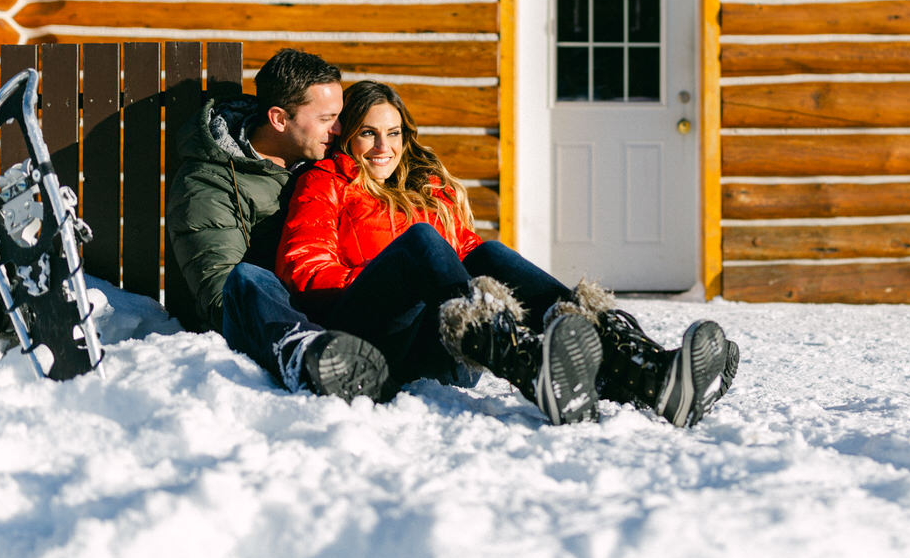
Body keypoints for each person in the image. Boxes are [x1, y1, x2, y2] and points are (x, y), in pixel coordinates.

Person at [274, 80, 740, 427]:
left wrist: (450, 280)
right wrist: (396, 277)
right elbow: (306, 273)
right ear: (347, 136)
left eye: (394, 133)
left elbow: (464, 257)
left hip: (443, 347)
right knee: (420, 245)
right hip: (369, 340)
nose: (384, 147)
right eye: (369, 134)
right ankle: (529, 364)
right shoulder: (327, 181)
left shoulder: (425, 185)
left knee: (487, 253)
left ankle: (643, 369)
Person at [166, 48, 390, 402]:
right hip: (276, 318)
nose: (338, 129)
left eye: (339, 117)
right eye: (326, 118)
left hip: (343, 300)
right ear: (279, 119)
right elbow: (221, 297)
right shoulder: (207, 185)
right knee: (247, 278)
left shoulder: (328, 162)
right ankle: (307, 351)